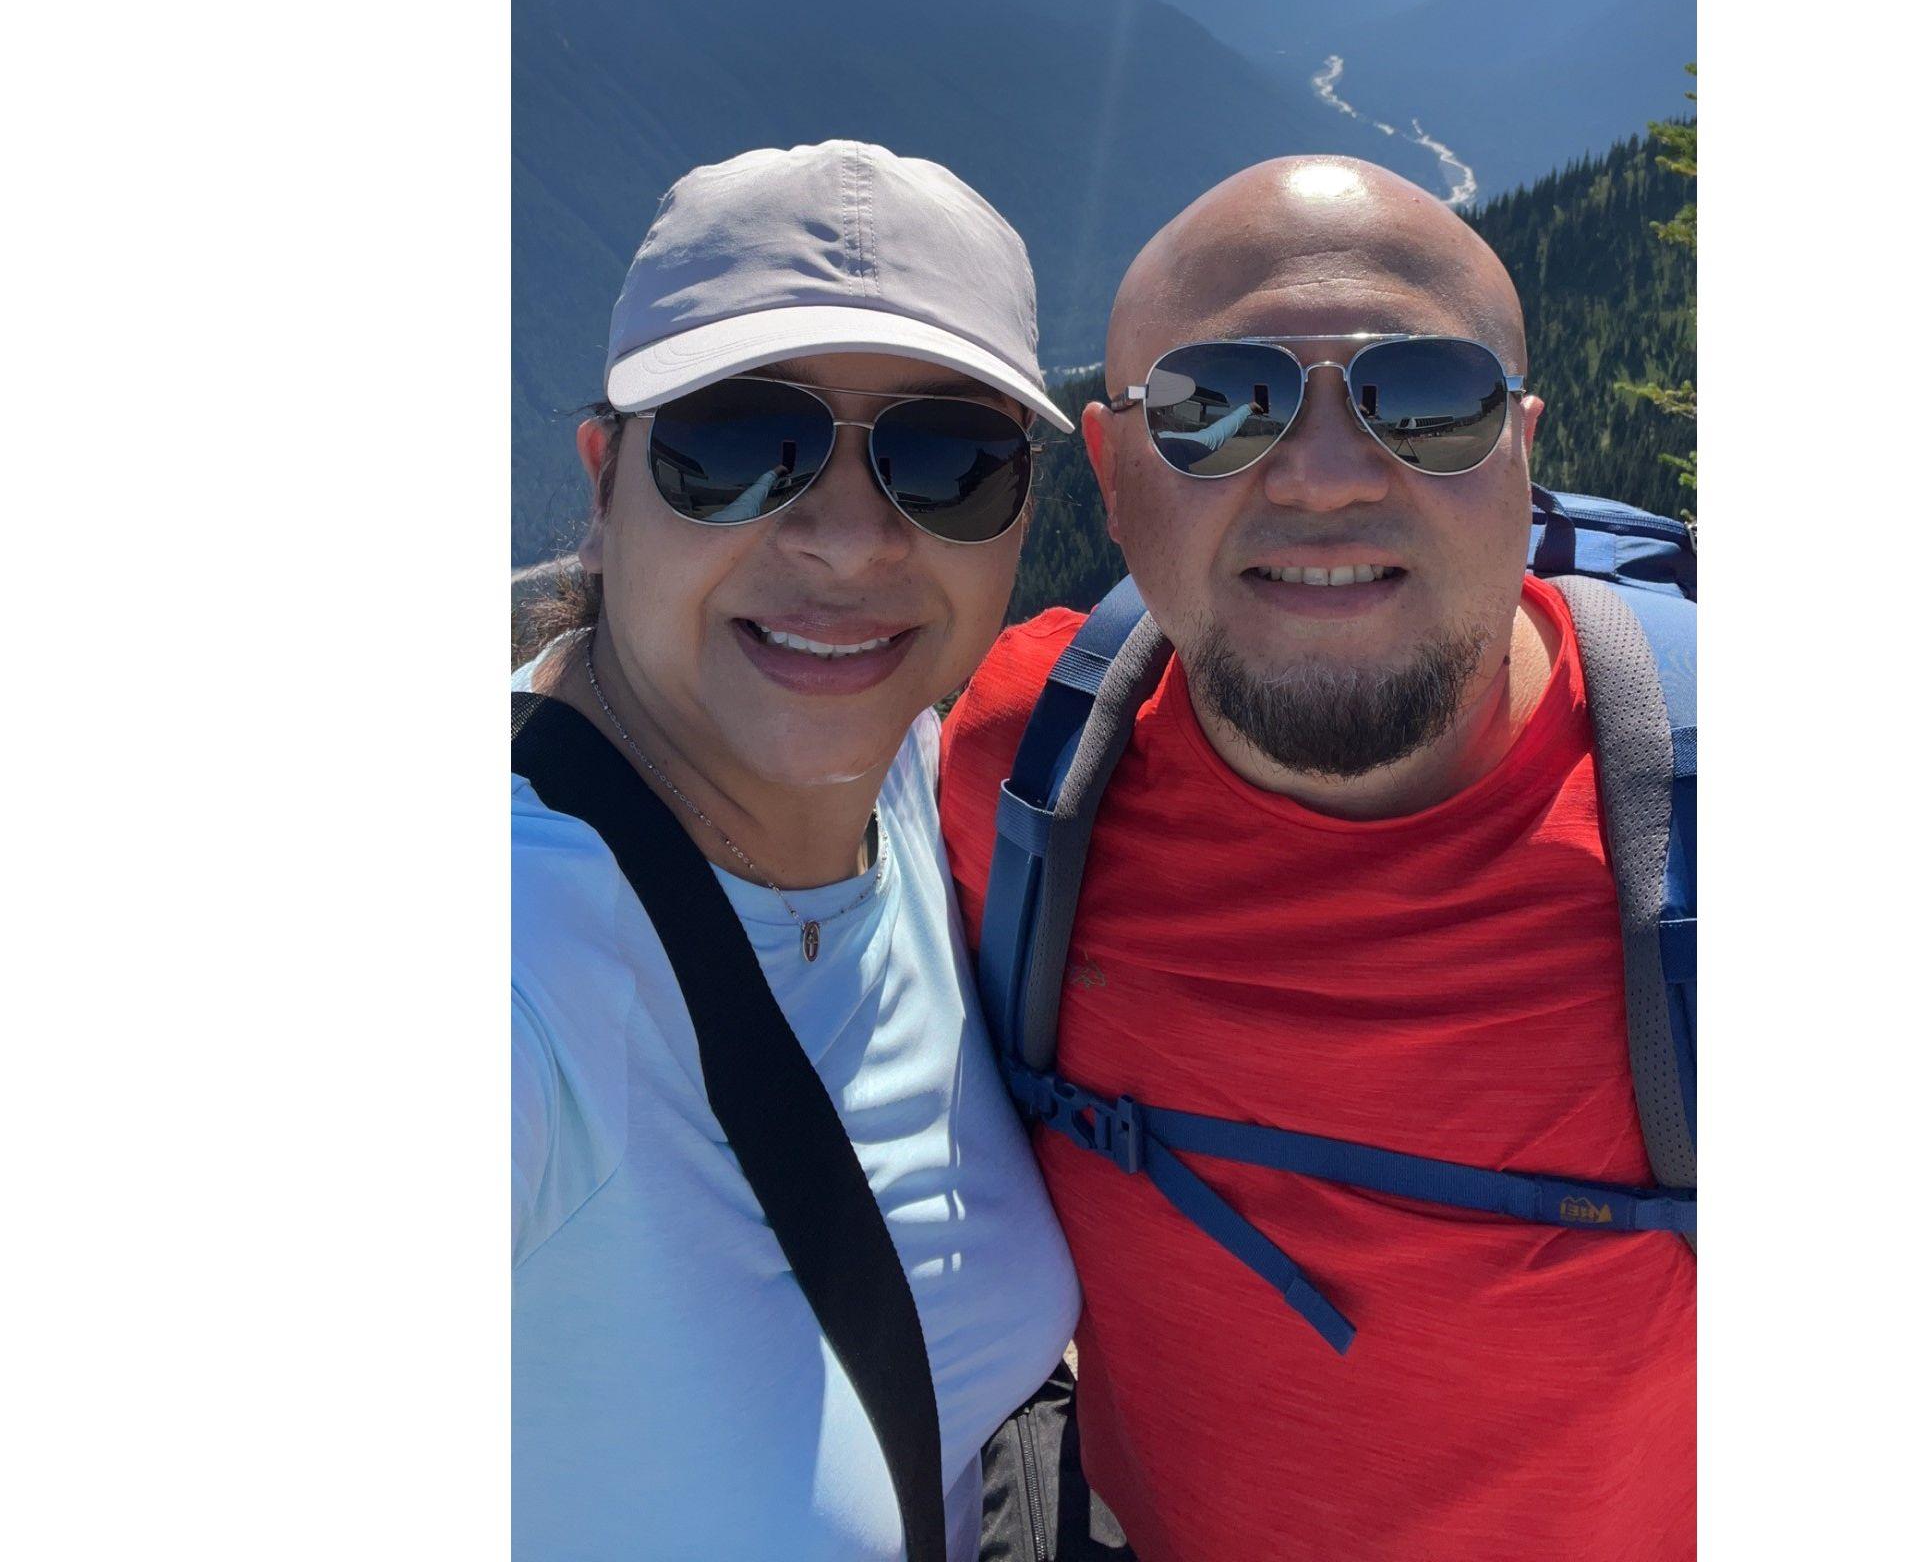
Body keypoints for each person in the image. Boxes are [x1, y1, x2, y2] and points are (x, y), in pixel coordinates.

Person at [938, 156, 1695, 1561]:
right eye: (1217, 406)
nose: (1329, 478)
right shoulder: (1020, 765)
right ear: (1112, 474)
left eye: (1428, 402)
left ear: (1521, 454)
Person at [513, 140, 1082, 1562]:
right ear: (603, 488)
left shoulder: (928, 786)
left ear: (1018, 519)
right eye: (735, 446)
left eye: (945, 462)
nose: (846, 541)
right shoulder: (519, 967)